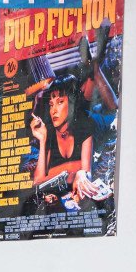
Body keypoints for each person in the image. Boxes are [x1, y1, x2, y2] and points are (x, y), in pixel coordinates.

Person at [30, 76, 98, 206]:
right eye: (51, 105)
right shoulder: (49, 131)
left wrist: (80, 173)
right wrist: (42, 140)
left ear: (72, 102)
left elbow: (86, 173)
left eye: (60, 102)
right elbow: (38, 181)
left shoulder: (85, 125)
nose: (53, 110)